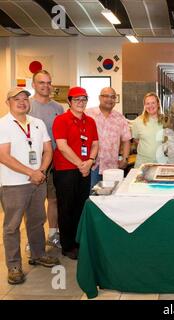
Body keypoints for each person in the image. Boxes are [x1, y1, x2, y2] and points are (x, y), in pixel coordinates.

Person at [0, 88, 60, 285]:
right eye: (17, 99)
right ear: (8, 102)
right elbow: (4, 156)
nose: (22, 102)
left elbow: (48, 150)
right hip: (14, 184)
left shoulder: (37, 123)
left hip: (38, 180)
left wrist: (41, 171)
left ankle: (38, 253)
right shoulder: (3, 124)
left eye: (25, 99)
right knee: (12, 226)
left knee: (36, 220)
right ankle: (14, 265)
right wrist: (31, 172)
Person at [52, 87, 98, 260]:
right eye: (77, 99)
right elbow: (62, 146)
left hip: (84, 168)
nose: (81, 102)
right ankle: (68, 245)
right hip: (66, 170)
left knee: (80, 206)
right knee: (67, 208)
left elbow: (94, 143)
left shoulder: (90, 121)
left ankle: (79, 241)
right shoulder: (61, 120)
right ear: (69, 102)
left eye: (84, 99)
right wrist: (81, 164)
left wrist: (90, 161)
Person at [29, 70, 64, 249]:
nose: (46, 86)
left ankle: (53, 234)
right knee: (33, 202)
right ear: (34, 84)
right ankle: (33, 238)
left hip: (54, 159)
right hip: (31, 162)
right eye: (41, 82)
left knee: (53, 198)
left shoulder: (58, 108)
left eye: (49, 82)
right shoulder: (26, 105)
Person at [85, 87, 131, 187]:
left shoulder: (120, 118)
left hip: (112, 167)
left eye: (113, 97)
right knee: (91, 196)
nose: (109, 99)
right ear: (99, 98)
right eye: (106, 96)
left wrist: (125, 159)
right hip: (92, 166)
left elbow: (126, 139)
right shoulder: (88, 114)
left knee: (111, 196)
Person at [132, 92, 167, 167]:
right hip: (143, 163)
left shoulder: (166, 120)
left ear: (158, 104)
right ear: (144, 105)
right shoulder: (138, 121)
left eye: (153, 103)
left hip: (161, 163)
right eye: (147, 103)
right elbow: (136, 139)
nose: (150, 106)